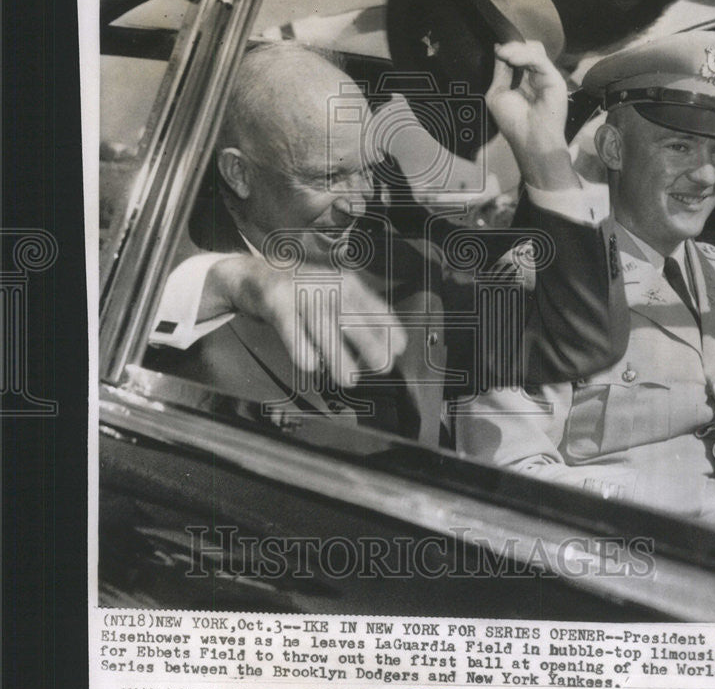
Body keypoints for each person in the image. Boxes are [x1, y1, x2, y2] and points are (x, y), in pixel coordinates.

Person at [146, 38, 628, 446]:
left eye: (365, 171)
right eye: (329, 177)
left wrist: (541, 149)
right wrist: (236, 280)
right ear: (239, 173)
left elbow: (580, 343)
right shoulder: (151, 270)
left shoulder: (407, 275)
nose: (357, 203)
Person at [458, 31, 715, 537]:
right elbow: (507, 478)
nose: (706, 175)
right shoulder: (535, 284)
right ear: (613, 148)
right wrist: (680, 501)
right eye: (680, 146)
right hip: (638, 559)